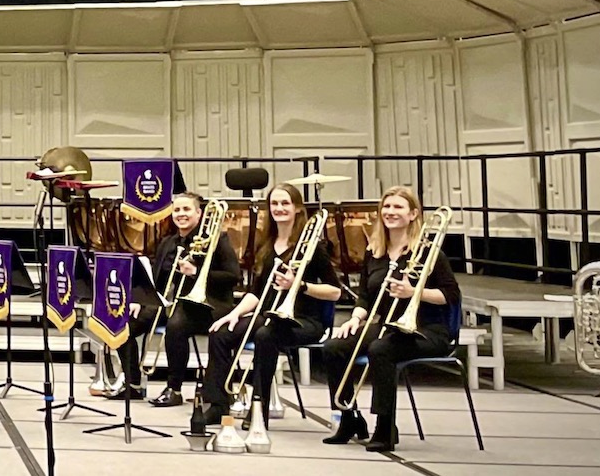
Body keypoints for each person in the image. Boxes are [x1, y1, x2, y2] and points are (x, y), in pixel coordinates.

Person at [319, 186, 461, 452]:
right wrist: (355, 319)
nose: (390, 212)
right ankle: (349, 419)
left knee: (381, 349)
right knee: (334, 347)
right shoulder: (375, 253)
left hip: (428, 330)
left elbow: (451, 295)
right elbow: (364, 296)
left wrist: (414, 292)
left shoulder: (428, 252)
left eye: (398, 207)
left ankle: (385, 426)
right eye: (386, 207)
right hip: (388, 327)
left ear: (413, 214)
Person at [201, 183, 343, 427]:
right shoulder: (267, 245)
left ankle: (259, 408)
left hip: (304, 320)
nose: (279, 208)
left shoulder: (312, 247)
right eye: (275, 204)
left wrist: (299, 286)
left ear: (298, 208)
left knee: (266, 335)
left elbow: (336, 292)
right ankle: (217, 405)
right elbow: (256, 292)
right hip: (268, 315)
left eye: (285, 203)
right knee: (221, 333)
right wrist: (233, 314)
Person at [136, 192, 239, 407]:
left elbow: (232, 277)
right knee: (126, 322)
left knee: (176, 325)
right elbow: (157, 280)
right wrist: (140, 299)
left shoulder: (216, 240)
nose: (181, 214)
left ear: (199, 213)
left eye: (186, 209)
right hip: (173, 302)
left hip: (211, 304)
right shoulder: (167, 243)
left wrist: (197, 272)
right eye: (177, 210)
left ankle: (174, 388)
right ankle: (132, 383)